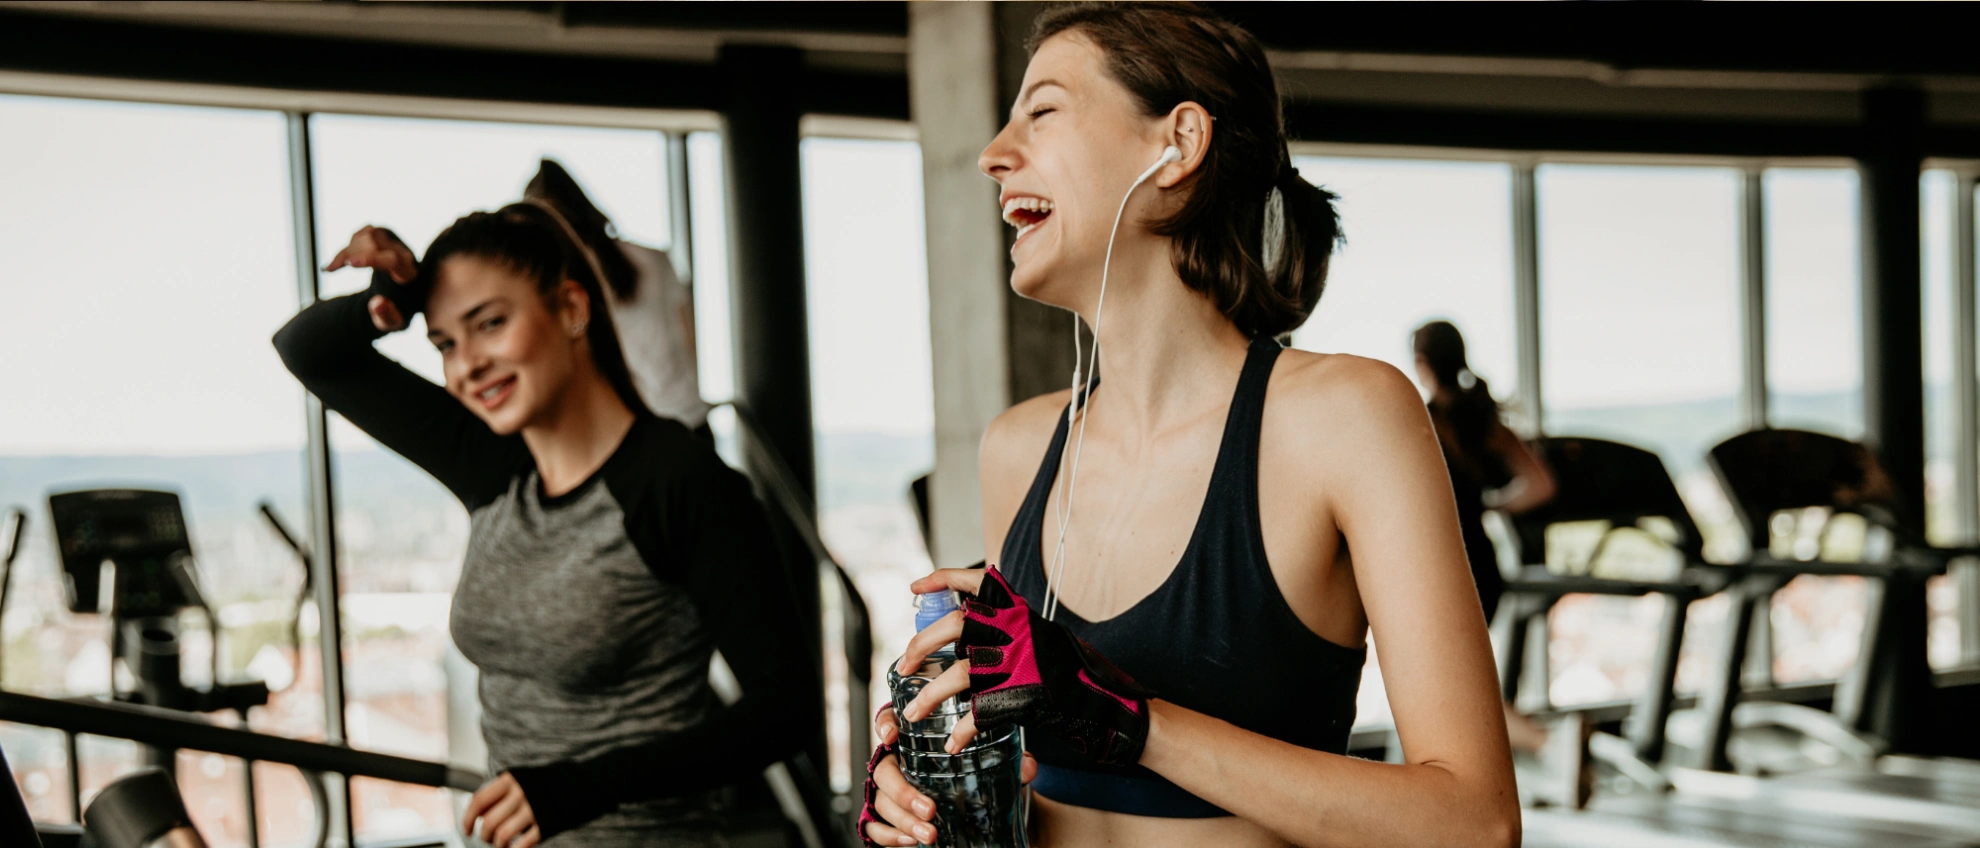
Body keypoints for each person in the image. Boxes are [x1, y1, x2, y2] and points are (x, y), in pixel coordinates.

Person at [860, 5, 1519, 847]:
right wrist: (935, 791)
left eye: (1043, 110)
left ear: (1176, 144)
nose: (992, 154)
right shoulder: (1017, 448)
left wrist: (1135, 722)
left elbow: (1476, 822)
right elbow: (1026, 763)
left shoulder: (1344, 418)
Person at [274, 203, 816, 848]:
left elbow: (787, 711)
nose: (467, 364)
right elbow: (307, 351)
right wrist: (388, 298)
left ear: (570, 309)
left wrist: (584, 784)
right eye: (446, 343)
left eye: (490, 324)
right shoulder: (496, 467)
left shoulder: (679, 481)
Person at [1411, 320, 1562, 760]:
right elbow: (1540, 484)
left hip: (1444, 565)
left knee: (1447, 685)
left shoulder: (1425, 423)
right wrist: (1489, 507)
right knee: (1448, 681)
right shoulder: (1482, 418)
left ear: (1422, 363)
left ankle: (1551, 743)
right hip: (1483, 560)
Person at [522, 159, 710, 439]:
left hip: (637, 430)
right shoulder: (653, 258)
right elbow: (688, 337)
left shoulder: (569, 283)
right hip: (689, 415)